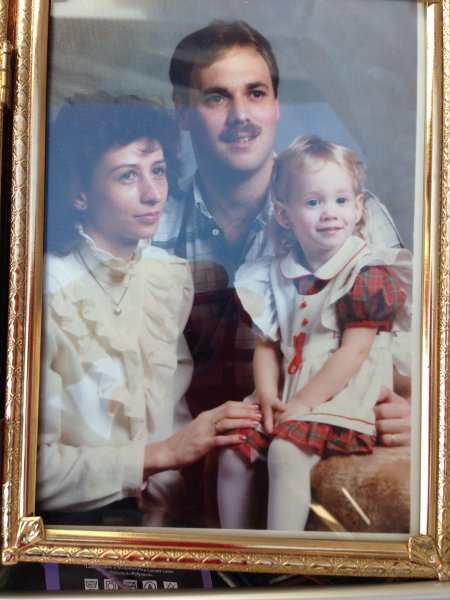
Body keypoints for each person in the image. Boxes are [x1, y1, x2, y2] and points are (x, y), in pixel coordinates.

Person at [153, 20, 411, 448]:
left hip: (315, 447)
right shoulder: (149, 224)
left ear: (276, 105)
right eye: (217, 97)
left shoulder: (354, 215)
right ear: (182, 112)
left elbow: (416, 351)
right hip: (186, 459)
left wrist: (419, 408)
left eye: (256, 93)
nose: (241, 116)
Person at [37, 94, 262, 526]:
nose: (152, 193)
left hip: (164, 517)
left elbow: (166, 413)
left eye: (158, 171)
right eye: (127, 176)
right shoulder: (45, 290)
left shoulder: (166, 277)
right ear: (79, 193)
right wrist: (162, 454)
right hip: (76, 528)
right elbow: (25, 473)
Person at [217, 135, 412, 530]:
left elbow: (355, 352)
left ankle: (280, 557)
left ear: (358, 208)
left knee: (285, 452)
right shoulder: (275, 273)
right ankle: (235, 553)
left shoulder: (366, 272)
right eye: (313, 202)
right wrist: (267, 395)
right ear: (284, 214)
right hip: (290, 393)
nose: (329, 213)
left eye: (341, 200)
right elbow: (267, 344)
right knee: (233, 453)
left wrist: (304, 403)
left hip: (345, 393)